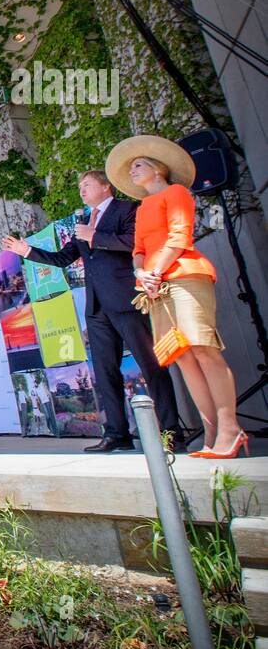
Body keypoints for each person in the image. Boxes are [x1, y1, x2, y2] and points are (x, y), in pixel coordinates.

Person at [3, 168, 184, 452]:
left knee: (151, 366)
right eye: (80, 187)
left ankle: (172, 434)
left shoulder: (127, 210)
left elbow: (134, 244)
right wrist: (27, 252)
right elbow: (64, 258)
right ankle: (117, 434)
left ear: (105, 187)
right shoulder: (84, 222)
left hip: (127, 299)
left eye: (87, 184)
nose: (82, 190)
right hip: (97, 307)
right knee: (104, 371)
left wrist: (95, 235)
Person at [108, 136, 246, 458]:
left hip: (184, 274)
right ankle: (210, 431)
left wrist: (152, 272)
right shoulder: (142, 209)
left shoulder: (176, 192)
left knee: (203, 348)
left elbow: (179, 236)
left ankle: (230, 428)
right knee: (182, 357)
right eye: (130, 168)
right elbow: (138, 250)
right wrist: (142, 273)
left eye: (138, 164)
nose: (132, 171)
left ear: (158, 169)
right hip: (154, 285)